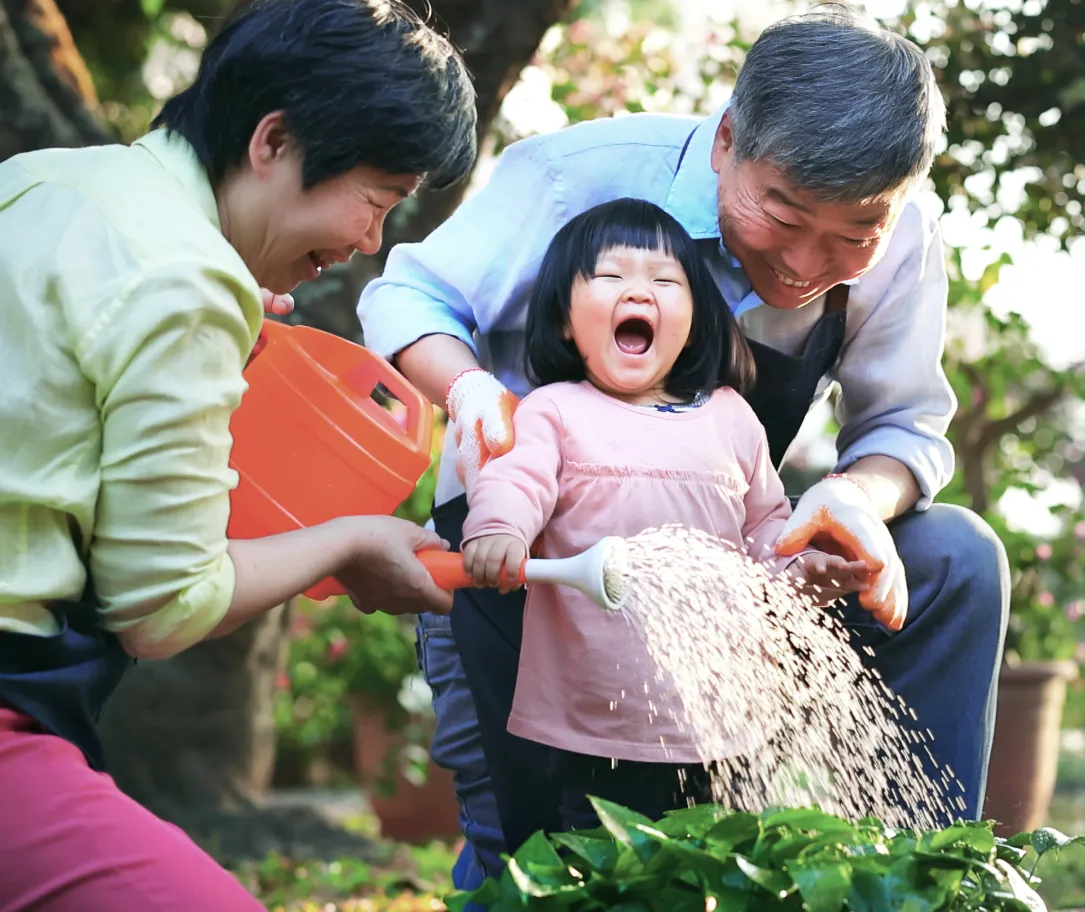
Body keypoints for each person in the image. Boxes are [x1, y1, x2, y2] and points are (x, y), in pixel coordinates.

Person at [358, 4, 1009, 888]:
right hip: (529, 568)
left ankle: (915, 883)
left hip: (731, 574)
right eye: (782, 213)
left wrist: (857, 498)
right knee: (535, 853)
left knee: (955, 557)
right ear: (728, 139)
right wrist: (473, 391)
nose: (808, 265)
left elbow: (902, 427)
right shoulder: (573, 178)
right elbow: (409, 298)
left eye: (855, 234)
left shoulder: (906, 235)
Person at [0, 1, 475, 909]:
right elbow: (164, 607)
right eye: (375, 201)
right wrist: (345, 542)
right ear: (273, 140)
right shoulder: (188, 277)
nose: (370, 241)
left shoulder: (48, 179)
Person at [459, 198, 865, 828]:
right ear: (565, 321)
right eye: (611, 276)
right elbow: (515, 480)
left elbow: (763, 529)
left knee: (710, 868)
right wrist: (498, 529)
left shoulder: (730, 416)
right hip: (595, 722)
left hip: (720, 716)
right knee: (604, 873)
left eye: (665, 282)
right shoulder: (555, 411)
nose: (639, 291)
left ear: (695, 319)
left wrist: (801, 570)